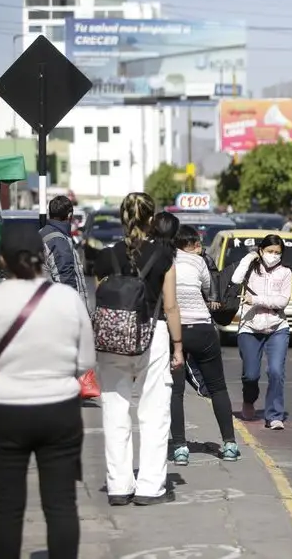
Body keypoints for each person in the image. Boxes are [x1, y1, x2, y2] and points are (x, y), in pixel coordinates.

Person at [0, 223, 95, 559]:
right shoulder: (67, 298)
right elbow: (86, 360)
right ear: (41, 257)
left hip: (4, 411)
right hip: (60, 411)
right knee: (61, 505)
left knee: (7, 508)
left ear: (1, 260)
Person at [94, 192, 184, 506]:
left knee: (115, 410)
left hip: (112, 337)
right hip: (152, 334)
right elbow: (171, 306)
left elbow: (103, 298)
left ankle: (119, 485)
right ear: (151, 219)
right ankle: (149, 487)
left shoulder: (106, 255)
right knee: (153, 411)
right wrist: (178, 346)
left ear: (122, 218)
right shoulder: (163, 256)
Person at [168, 224, 240, 465]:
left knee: (175, 392)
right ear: (192, 245)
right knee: (218, 387)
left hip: (174, 329)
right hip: (202, 329)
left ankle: (179, 447)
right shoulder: (199, 263)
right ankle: (229, 444)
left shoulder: (166, 261)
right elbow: (211, 292)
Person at [233, 234, 292, 429]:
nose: (273, 255)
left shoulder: (285, 273)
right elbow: (235, 279)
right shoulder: (251, 269)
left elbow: (282, 301)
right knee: (251, 375)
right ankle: (249, 400)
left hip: (277, 328)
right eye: (269, 251)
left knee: (276, 371)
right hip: (250, 327)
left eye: (278, 253)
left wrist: (257, 299)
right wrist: (248, 258)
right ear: (261, 251)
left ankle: (274, 415)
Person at [40, 195, 88, 307]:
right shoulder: (58, 240)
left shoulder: (43, 233)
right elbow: (66, 282)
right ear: (70, 215)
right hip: (68, 312)